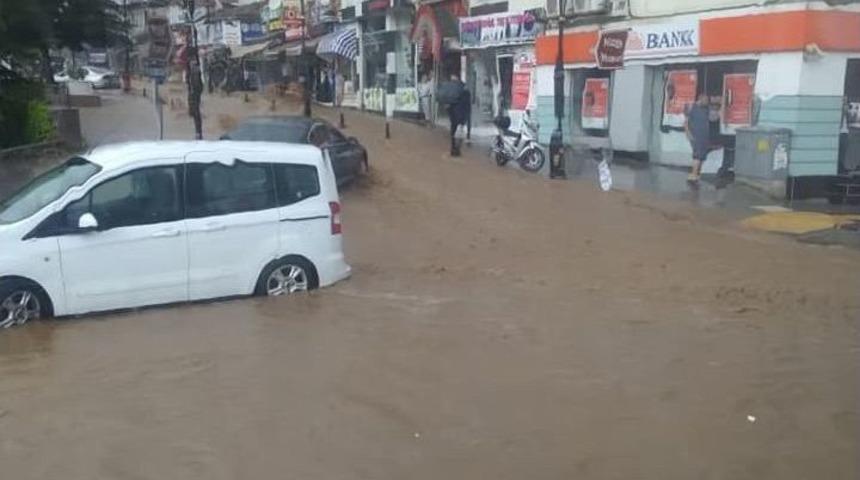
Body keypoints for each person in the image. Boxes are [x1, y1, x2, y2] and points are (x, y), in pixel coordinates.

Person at [684, 93, 711, 183]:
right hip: (696, 136)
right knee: (697, 155)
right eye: (706, 100)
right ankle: (693, 175)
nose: (707, 102)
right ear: (700, 99)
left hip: (704, 136)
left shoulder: (706, 109)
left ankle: (697, 174)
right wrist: (688, 133)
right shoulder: (692, 107)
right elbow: (685, 122)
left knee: (702, 156)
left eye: (708, 100)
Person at [447, 75, 470, 156]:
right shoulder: (464, 90)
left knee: (454, 133)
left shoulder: (452, 90)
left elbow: (449, 103)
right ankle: (457, 149)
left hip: (454, 115)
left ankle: (454, 149)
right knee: (459, 133)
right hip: (460, 115)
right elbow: (467, 105)